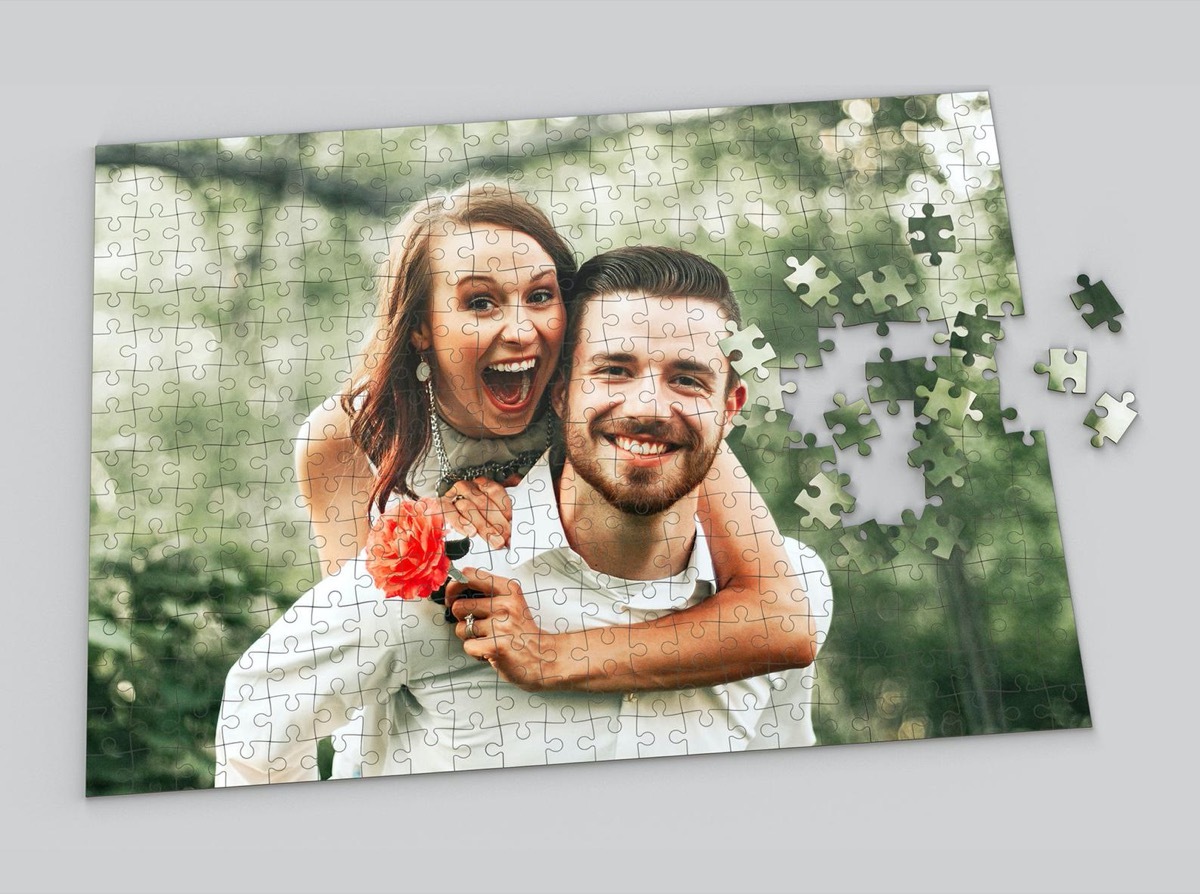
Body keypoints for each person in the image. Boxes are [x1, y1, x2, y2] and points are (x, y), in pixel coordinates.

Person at [215, 247, 832, 784]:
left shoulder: (794, 583)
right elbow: (255, 720)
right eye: (613, 370)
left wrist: (552, 656)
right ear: (560, 392)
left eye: (688, 380)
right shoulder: (437, 572)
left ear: (731, 407)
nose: (648, 405)